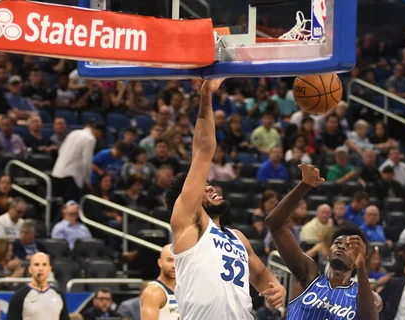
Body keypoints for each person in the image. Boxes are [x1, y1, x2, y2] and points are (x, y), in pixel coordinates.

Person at [164, 79, 286, 320]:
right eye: (204, 187)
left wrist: (276, 287)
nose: (211, 189)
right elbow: (204, 148)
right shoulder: (190, 222)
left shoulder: (237, 237)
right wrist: (206, 95)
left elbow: (260, 276)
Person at [265, 163, 382, 320]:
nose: (341, 246)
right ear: (328, 253)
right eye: (337, 242)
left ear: (358, 259)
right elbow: (275, 224)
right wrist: (304, 185)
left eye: (349, 246)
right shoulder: (308, 275)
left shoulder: (370, 297)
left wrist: (361, 267)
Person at [6, 252, 69, 320]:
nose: (40, 269)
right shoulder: (19, 296)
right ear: (30, 269)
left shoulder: (59, 295)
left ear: (49, 269)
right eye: (36, 265)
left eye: (44, 265)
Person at [140, 244, 179, 319]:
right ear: (160, 262)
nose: (174, 265)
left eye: (177, 260)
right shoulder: (153, 292)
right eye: (169, 260)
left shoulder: (184, 288)